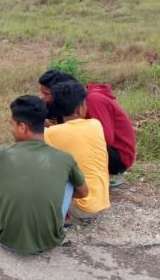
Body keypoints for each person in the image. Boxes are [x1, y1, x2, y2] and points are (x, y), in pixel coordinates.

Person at [0, 95, 88, 255]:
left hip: (7, 239)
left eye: (12, 125)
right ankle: (53, 221)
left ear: (23, 127)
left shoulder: (5, 152)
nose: (11, 129)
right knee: (68, 177)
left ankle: (8, 217)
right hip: (50, 241)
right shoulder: (64, 157)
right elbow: (84, 192)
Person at [38, 70, 137, 177]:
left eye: (46, 94)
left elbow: (105, 138)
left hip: (118, 156)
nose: (43, 97)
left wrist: (53, 129)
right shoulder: (76, 100)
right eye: (42, 93)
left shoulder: (93, 100)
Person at [44, 82, 110, 221]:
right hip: (101, 201)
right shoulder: (95, 125)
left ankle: (63, 215)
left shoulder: (51, 134)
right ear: (81, 109)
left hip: (80, 208)